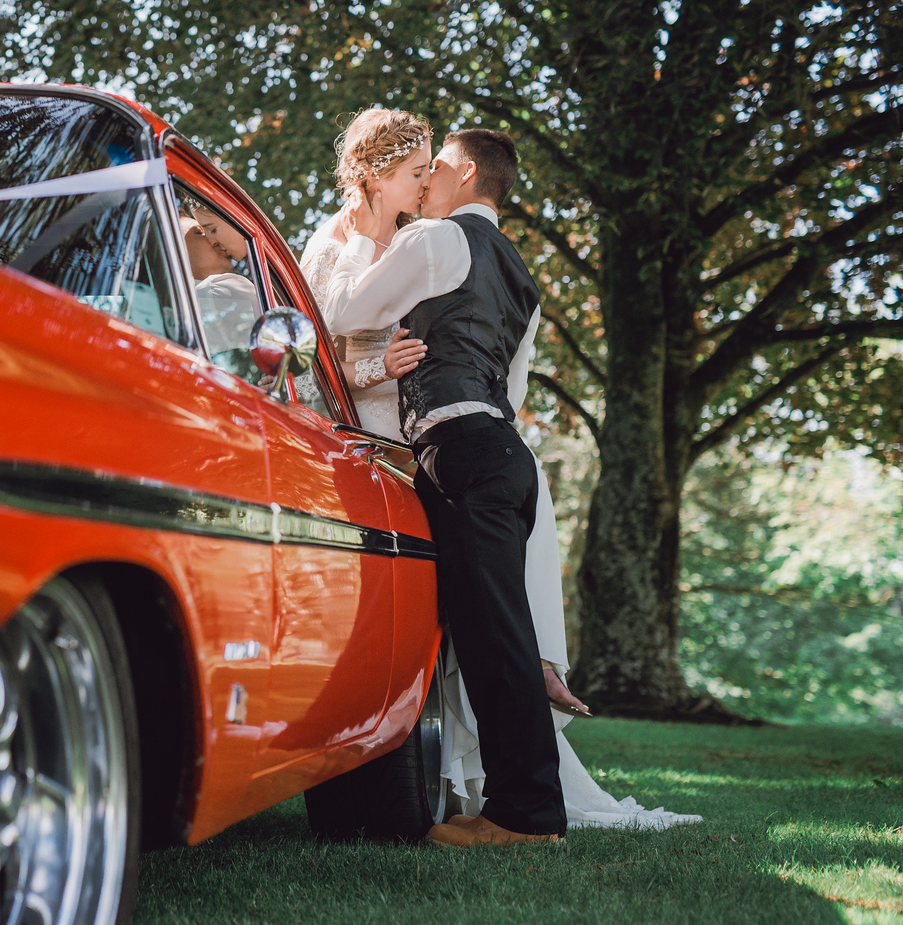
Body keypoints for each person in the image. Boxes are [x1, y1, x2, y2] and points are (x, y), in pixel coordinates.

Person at [311, 119, 701, 837]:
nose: (424, 183)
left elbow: (339, 311)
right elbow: (513, 390)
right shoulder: (523, 276)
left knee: (493, 643)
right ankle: (520, 810)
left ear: (463, 176)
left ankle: (523, 819)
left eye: (435, 171)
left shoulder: (431, 239)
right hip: (503, 453)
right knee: (499, 636)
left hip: (458, 450)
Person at [299, 108, 431, 437]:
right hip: (366, 432)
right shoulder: (330, 249)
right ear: (376, 174)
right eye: (417, 173)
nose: (428, 181)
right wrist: (381, 369)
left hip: (423, 424)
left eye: (429, 168)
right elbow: (306, 372)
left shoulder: (414, 236)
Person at [181, 216, 259, 369]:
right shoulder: (221, 287)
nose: (214, 240)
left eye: (213, 230)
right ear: (174, 248)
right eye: (200, 232)